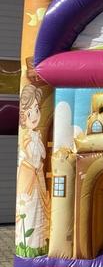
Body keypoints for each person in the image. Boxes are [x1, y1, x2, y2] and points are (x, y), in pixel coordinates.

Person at [15, 84, 50, 255]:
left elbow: (42, 154)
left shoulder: (36, 137)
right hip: (29, 181)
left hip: (37, 179)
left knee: (38, 210)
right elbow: (28, 157)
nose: (35, 116)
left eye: (36, 110)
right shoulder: (26, 138)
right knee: (28, 208)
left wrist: (38, 141)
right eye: (29, 113)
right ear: (23, 116)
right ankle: (30, 246)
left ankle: (39, 244)